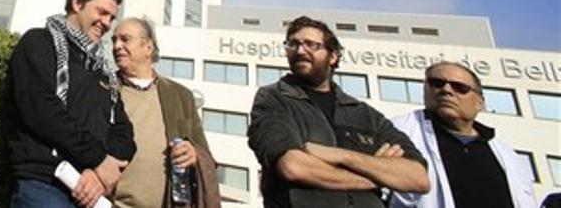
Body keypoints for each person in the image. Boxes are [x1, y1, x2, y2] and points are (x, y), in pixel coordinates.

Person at [247, 16, 429, 208]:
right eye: (293, 44)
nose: (300, 50)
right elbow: (294, 167)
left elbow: (418, 178)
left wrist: (341, 156)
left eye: (311, 45)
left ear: (333, 56)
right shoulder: (273, 98)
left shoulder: (366, 115)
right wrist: (380, 175)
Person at [4, 0, 136, 208]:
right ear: (77, 3)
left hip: (91, 193)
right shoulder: (38, 43)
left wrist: (99, 173)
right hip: (45, 185)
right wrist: (97, 159)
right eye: (102, 12)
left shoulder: (103, 70)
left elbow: (124, 133)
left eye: (112, 18)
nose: (106, 23)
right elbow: (42, 110)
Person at [388, 62, 537, 208]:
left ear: (480, 102)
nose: (446, 90)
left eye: (460, 87)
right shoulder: (397, 132)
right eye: (436, 83)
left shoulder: (508, 155)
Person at [111, 17, 220, 208]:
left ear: (148, 48)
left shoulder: (180, 96)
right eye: (114, 40)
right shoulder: (102, 89)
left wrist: (194, 155)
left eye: (125, 39)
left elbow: (205, 153)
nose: (117, 46)